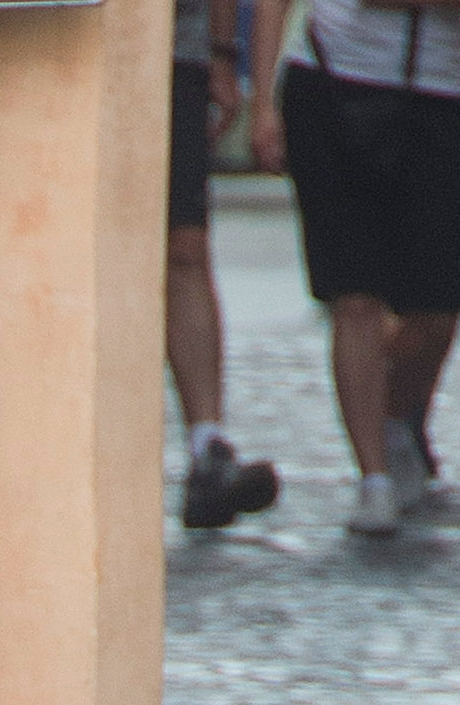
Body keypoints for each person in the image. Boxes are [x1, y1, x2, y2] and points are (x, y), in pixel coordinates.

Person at [251, 0, 460, 534]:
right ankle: (374, 477)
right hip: (331, 78)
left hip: (441, 89)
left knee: (438, 303)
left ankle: (390, 417)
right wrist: (263, 102)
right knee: (354, 294)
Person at [170, 0, 281, 532]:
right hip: (70, 44)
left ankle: (206, 447)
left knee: (185, 246)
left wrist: (220, 51)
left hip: (175, 51)